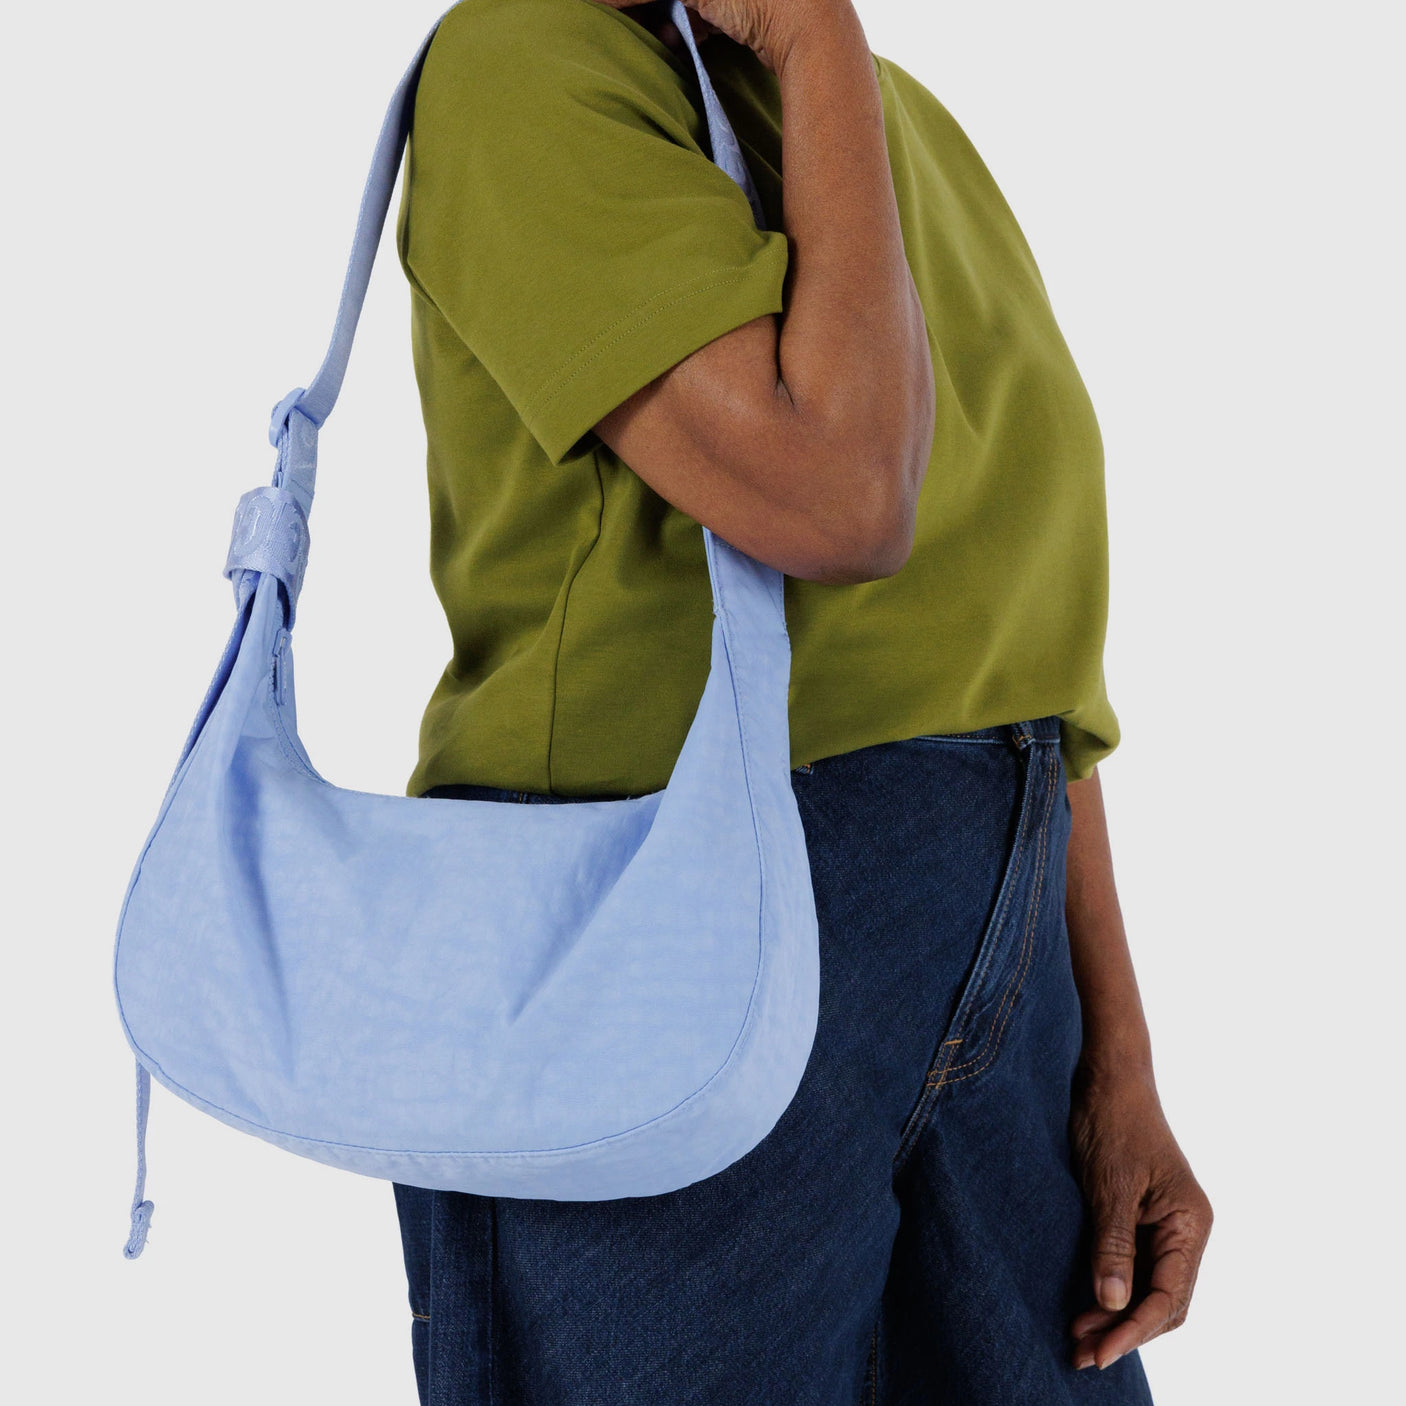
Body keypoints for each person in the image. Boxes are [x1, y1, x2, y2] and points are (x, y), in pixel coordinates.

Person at [389, 0, 1212, 1400]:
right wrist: (815, 35)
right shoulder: (527, 67)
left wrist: (1116, 1070)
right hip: (659, 967)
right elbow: (835, 500)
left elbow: (1031, 666)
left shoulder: (893, 129)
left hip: (994, 976)